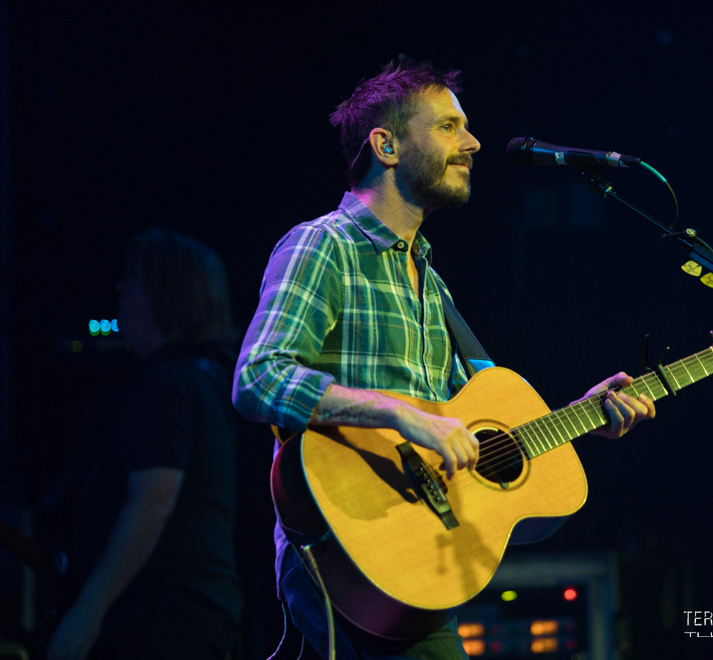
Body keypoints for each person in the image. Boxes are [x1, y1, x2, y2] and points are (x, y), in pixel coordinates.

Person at [232, 56, 656, 659]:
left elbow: (476, 427)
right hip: (349, 549)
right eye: (449, 127)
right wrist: (399, 415)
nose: (473, 143)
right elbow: (257, 378)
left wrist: (584, 415)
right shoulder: (323, 244)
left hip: (417, 567)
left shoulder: (430, 282)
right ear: (386, 145)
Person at [48, 228, 243, 660]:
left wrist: (88, 611)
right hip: (190, 619)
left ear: (165, 293)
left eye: (134, 279)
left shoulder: (167, 384)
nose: (121, 289)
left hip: (162, 624)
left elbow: (152, 503)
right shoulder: (205, 380)